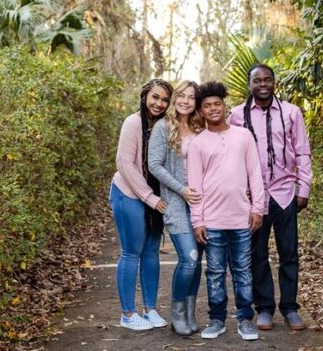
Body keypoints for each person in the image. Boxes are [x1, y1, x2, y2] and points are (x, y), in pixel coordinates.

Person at [228, 64, 312, 331]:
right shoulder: (236, 115)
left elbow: (302, 152)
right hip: (253, 197)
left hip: (285, 192)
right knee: (257, 254)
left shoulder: (291, 112)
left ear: (274, 82)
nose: (262, 84)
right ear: (249, 84)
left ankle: (289, 308)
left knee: (289, 253)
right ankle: (264, 308)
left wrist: (304, 188)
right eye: (257, 80)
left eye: (267, 79)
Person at [187, 81, 265, 341]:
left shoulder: (243, 136)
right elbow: (194, 185)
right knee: (215, 272)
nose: (212, 109)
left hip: (241, 218)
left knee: (243, 270)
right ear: (201, 110)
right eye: (207, 105)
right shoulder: (198, 143)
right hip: (212, 220)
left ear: (224, 106)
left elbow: (255, 174)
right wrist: (197, 220)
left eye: (216, 104)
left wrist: (258, 208)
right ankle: (217, 319)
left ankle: (245, 319)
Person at [108, 78, 174, 331]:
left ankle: (150, 309)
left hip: (154, 198)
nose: (159, 103)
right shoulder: (133, 122)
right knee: (131, 252)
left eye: (165, 99)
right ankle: (127, 314)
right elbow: (124, 163)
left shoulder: (164, 125)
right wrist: (150, 198)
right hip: (129, 195)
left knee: (151, 253)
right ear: (145, 95)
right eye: (155, 97)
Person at [147, 80, 204, 335]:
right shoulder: (162, 127)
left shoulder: (199, 127)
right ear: (174, 99)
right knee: (189, 258)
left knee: (198, 261)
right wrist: (181, 190)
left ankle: (190, 312)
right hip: (176, 203)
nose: (185, 101)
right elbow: (154, 165)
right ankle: (177, 311)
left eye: (191, 97)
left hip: (202, 204)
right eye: (181, 95)